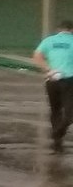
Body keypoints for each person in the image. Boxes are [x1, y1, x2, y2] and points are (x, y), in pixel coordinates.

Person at [34, 20, 73, 152]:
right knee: (70, 112)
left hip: (51, 79)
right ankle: (59, 132)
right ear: (72, 30)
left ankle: (57, 142)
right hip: (69, 80)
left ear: (59, 29)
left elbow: (37, 56)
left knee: (55, 109)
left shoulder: (49, 40)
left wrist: (48, 69)